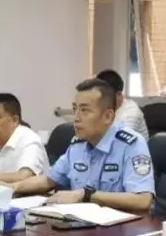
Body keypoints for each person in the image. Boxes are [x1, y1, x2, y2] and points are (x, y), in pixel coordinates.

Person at [8, 79, 155, 214]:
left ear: (108, 116)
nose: (76, 118)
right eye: (75, 109)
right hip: (81, 224)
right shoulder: (78, 144)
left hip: (120, 228)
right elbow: (49, 180)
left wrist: (87, 195)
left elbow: (142, 200)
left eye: (84, 110)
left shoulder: (132, 144)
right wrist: (13, 187)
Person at [95, 69, 149, 140]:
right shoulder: (105, 108)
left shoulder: (131, 113)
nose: (102, 99)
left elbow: (117, 141)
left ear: (119, 94)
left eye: (105, 96)